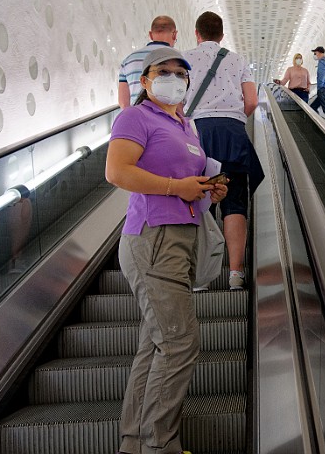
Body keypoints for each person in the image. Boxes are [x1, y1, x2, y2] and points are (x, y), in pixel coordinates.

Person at [105, 46, 227, 454]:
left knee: (155, 344)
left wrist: (209, 187)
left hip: (181, 238)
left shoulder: (187, 126)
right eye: (164, 71)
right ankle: (160, 445)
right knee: (179, 343)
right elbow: (117, 171)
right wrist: (177, 188)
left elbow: (186, 179)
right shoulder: (135, 116)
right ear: (145, 80)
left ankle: (135, 443)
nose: (173, 78)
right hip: (153, 239)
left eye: (181, 72)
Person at [183, 11, 264, 291]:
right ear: (221, 35)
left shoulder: (186, 59)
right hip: (232, 134)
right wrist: (235, 117)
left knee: (199, 201)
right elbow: (252, 101)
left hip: (197, 133)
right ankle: (235, 275)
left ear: (197, 34)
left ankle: (200, 277)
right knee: (235, 202)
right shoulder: (237, 59)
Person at [117, 16, 179, 108]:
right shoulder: (178, 59)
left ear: (150, 35)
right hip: (167, 117)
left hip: (138, 116)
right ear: (174, 34)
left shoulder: (129, 60)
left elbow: (123, 103)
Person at [309, 46, 325, 127]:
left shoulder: (322, 62)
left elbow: (321, 76)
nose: (314, 55)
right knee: (313, 107)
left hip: (323, 89)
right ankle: (319, 124)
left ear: (319, 53)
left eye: (315, 53)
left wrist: (319, 88)